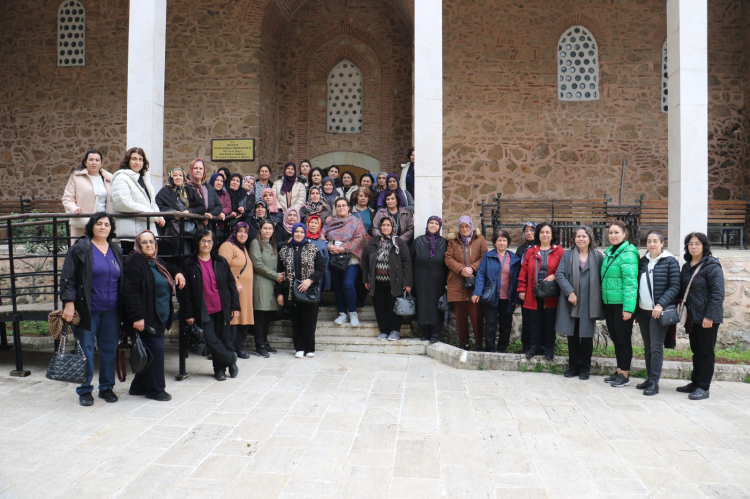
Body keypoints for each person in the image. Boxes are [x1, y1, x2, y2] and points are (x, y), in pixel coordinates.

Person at [60, 213, 123, 406]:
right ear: (92, 227)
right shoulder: (80, 248)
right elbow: (68, 278)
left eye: (107, 224)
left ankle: (106, 387)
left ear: (111, 229)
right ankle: (85, 390)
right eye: (99, 224)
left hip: (111, 310)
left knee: (109, 349)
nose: (103, 227)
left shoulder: (115, 250)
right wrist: (68, 304)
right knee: (85, 350)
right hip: (87, 309)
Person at [122, 230, 186, 401]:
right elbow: (129, 292)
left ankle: (137, 387)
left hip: (160, 317)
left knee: (149, 352)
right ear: (138, 245)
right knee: (156, 353)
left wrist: (178, 272)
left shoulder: (156, 261)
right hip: (146, 318)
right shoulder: (135, 261)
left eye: (151, 242)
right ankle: (156, 390)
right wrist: (137, 317)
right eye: (144, 242)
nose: (149, 245)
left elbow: (171, 268)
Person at [181, 230, 241, 381]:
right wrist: (188, 314)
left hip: (222, 307)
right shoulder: (190, 264)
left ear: (213, 244)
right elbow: (185, 292)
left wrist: (235, 306)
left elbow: (231, 285)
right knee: (211, 339)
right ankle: (231, 359)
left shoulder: (220, 261)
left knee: (223, 339)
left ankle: (219, 370)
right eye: (203, 241)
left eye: (209, 241)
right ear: (197, 242)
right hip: (203, 310)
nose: (206, 244)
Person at [676, 232, 724, 400]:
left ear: (704, 246)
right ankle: (695, 382)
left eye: (697, 243)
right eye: (690, 243)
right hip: (693, 316)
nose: (693, 246)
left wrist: (709, 316)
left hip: (707, 318)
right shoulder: (686, 266)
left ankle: (704, 387)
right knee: (696, 351)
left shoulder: (712, 265)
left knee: (706, 352)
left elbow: (717, 293)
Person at [554, 226, 605, 380]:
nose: (581, 239)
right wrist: (570, 292)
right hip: (572, 301)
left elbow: (603, 277)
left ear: (590, 239)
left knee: (587, 336)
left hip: (590, 302)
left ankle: (585, 369)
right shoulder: (567, 255)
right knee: (573, 336)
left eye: (584, 236)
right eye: (578, 236)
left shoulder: (598, 256)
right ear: (574, 239)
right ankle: (573, 367)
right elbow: (560, 274)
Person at [635, 230, 680, 396]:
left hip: (657, 312)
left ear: (662, 243)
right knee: (647, 347)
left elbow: (675, 286)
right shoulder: (643, 261)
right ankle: (649, 378)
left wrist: (660, 304)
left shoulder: (670, 262)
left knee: (655, 347)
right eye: (649, 241)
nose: (652, 244)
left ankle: (654, 382)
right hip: (643, 311)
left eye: (655, 241)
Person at [276, 222, 326, 358]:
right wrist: (279, 293)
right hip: (291, 293)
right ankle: (299, 348)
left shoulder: (313, 248)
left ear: (305, 233)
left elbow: (321, 269)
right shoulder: (284, 250)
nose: (299, 234)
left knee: (309, 321)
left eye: (302, 232)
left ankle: (309, 348)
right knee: (296, 321)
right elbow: (279, 273)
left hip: (309, 292)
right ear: (292, 233)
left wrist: (310, 280)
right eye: (296, 232)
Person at [600, 220, 640, 387]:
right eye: (611, 233)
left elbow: (631, 283)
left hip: (622, 304)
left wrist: (629, 308)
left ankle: (625, 374)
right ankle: (619, 370)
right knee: (616, 338)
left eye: (617, 232)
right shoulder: (611, 252)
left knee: (623, 339)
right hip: (610, 303)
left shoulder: (628, 254)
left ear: (624, 234)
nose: (613, 235)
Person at [517, 222, 565, 361]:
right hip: (533, 292)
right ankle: (534, 346)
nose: (545, 235)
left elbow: (564, 269)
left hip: (551, 293)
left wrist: (555, 275)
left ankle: (549, 349)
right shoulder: (531, 251)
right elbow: (523, 272)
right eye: (542, 232)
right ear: (538, 234)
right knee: (534, 320)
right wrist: (521, 289)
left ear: (552, 235)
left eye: (547, 232)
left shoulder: (559, 251)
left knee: (550, 321)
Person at [363, 216, 412, 341]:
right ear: (380, 227)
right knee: (379, 306)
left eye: (388, 225)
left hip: (394, 282)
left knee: (394, 307)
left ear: (393, 227)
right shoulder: (373, 241)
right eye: (383, 225)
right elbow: (366, 262)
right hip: (377, 281)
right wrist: (366, 279)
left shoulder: (399, 242)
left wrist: (407, 282)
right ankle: (383, 330)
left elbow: (407, 263)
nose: (385, 227)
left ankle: (395, 330)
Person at [472, 229, 522, 353]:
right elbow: (481, 275)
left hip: (508, 298)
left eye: (504, 240)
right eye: (499, 240)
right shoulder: (488, 256)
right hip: (491, 297)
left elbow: (517, 280)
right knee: (490, 324)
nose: (502, 243)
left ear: (508, 243)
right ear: (494, 243)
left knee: (506, 324)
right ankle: (489, 349)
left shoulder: (514, 259)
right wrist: (477, 292)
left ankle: (502, 348)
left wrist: (517, 299)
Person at [322, 197, 367, 326]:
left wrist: (344, 249)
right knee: (338, 286)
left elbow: (360, 238)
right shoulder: (330, 222)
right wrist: (328, 246)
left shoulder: (355, 222)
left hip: (350, 258)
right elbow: (321, 236)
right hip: (334, 258)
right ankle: (342, 313)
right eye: (338, 206)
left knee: (347, 284)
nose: (341, 208)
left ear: (348, 207)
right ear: (335, 209)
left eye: (343, 205)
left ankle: (353, 312)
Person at [445, 216, 488, 350]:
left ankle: (479, 344)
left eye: (467, 226)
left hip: (474, 283)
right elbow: (448, 258)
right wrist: (461, 269)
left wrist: (472, 268)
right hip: (457, 283)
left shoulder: (480, 240)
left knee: (476, 316)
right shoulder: (453, 241)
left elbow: (484, 256)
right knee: (460, 317)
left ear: (471, 226)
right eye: (462, 226)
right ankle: (464, 343)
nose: (464, 229)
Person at [108, 147, 165, 249]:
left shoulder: (144, 179)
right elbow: (124, 203)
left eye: (140, 159)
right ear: (128, 161)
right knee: (131, 262)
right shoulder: (121, 178)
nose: (137, 162)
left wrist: (159, 215)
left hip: (146, 231)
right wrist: (154, 216)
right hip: (129, 234)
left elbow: (152, 203)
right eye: (134, 159)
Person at [218, 223, 255, 359]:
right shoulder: (227, 246)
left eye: (245, 232)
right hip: (233, 290)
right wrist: (236, 282)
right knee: (234, 319)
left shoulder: (243, 248)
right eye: (240, 231)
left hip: (245, 292)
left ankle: (239, 347)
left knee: (243, 319)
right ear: (234, 232)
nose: (243, 234)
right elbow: (223, 267)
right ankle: (230, 348)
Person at [410, 216, 448, 343]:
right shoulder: (418, 241)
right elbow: (410, 261)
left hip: (438, 281)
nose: (433, 225)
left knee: (436, 307)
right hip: (420, 280)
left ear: (439, 226)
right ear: (427, 225)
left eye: (436, 223)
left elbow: (447, 263)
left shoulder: (444, 243)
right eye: (431, 223)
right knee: (422, 305)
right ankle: (424, 333)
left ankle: (436, 334)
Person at [249, 220, 282, 357]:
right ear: (260, 230)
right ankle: (259, 345)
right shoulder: (255, 243)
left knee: (268, 316)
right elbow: (258, 264)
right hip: (261, 283)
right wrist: (276, 276)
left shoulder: (272, 244)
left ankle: (265, 342)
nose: (268, 231)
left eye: (270, 228)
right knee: (260, 316)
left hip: (272, 285)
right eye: (265, 228)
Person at [62, 149, 113, 238]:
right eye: (91, 160)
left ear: (101, 163)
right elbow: (67, 198)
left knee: (101, 249)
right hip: (83, 221)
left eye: (97, 160)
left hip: (103, 224)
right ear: (85, 162)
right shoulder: (76, 177)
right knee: (83, 249)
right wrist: (74, 209)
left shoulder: (109, 179)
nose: (94, 163)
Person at [155, 167, 206, 254]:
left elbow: (201, 207)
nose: (178, 177)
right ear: (171, 177)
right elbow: (159, 207)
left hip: (191, 229)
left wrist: (189, 212)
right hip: (173, 231)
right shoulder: (163, 192)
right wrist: (174, 213)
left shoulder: (189, 190)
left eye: (180, 175)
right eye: (175, 175)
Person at [515, 221, 537, 353]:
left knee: (539, 319)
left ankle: (539, 346)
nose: (529, 233)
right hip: (525, 289)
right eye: (526, 231)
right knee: (527, 319)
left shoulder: (542, 246)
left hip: (540, 289)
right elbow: (518, 271)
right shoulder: (521, 249)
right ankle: (526, 346)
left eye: (532, 230)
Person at [185, 158, 222, 227]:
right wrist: (202, 214)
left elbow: (219, 206)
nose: (198, 170)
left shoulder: (209, 188)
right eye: (195, 168)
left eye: (201, 168)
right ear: (191, 170)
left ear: (204, 171)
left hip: (207, 225)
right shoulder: (186, 187)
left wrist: (209, 214)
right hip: (191, 226)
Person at [305, 215, 331, 292]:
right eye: (311, 222)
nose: (313, 225)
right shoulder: (301, 238)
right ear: (307, 224)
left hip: (317, 276)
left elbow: (326, 263)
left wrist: (327, 283)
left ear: (319, 226)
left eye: (316, 223)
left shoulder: (323, 242)